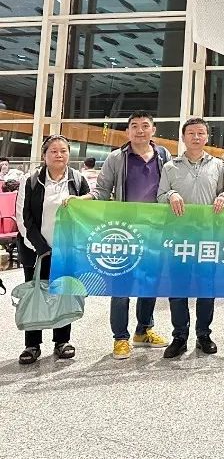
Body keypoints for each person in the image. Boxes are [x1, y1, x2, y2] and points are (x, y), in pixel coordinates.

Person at [75, 111, 172, 359]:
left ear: (153, 130)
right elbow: (102, 190)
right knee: (121, 286)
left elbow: (171, 187)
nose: (140, 130)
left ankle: (144, 330)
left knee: (150, 283)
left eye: (145, 126)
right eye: (134, 126)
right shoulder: (117, 158)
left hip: (156, 231)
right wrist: (82, 200)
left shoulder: (163, 155)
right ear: (127, 131)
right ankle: (120, 337)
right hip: (125, 232)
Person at [157, 117, 224, 358]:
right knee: (178, 289)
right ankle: (179, 336)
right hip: (179, 239)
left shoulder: (218, 165)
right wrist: (171, 194)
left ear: (207, 137)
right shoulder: (170, 167)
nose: (196, 137)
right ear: (183, 137)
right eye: (191, 133)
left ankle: (203, 335)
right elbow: (160, 196)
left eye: (201, 133)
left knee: (206, 288)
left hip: (208, 238)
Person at [15, 136, 90, 364]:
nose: (59, 155)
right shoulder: (30, 181)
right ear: (44, 155)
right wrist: (41, 248)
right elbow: (23, 218)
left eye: (63, 151)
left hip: (66, 251)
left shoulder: (78, 180)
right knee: (35, 294)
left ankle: (62, 341)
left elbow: (87, 213)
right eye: (54, 151)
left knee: (63, 294)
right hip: (36, 251)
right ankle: (32, 345)